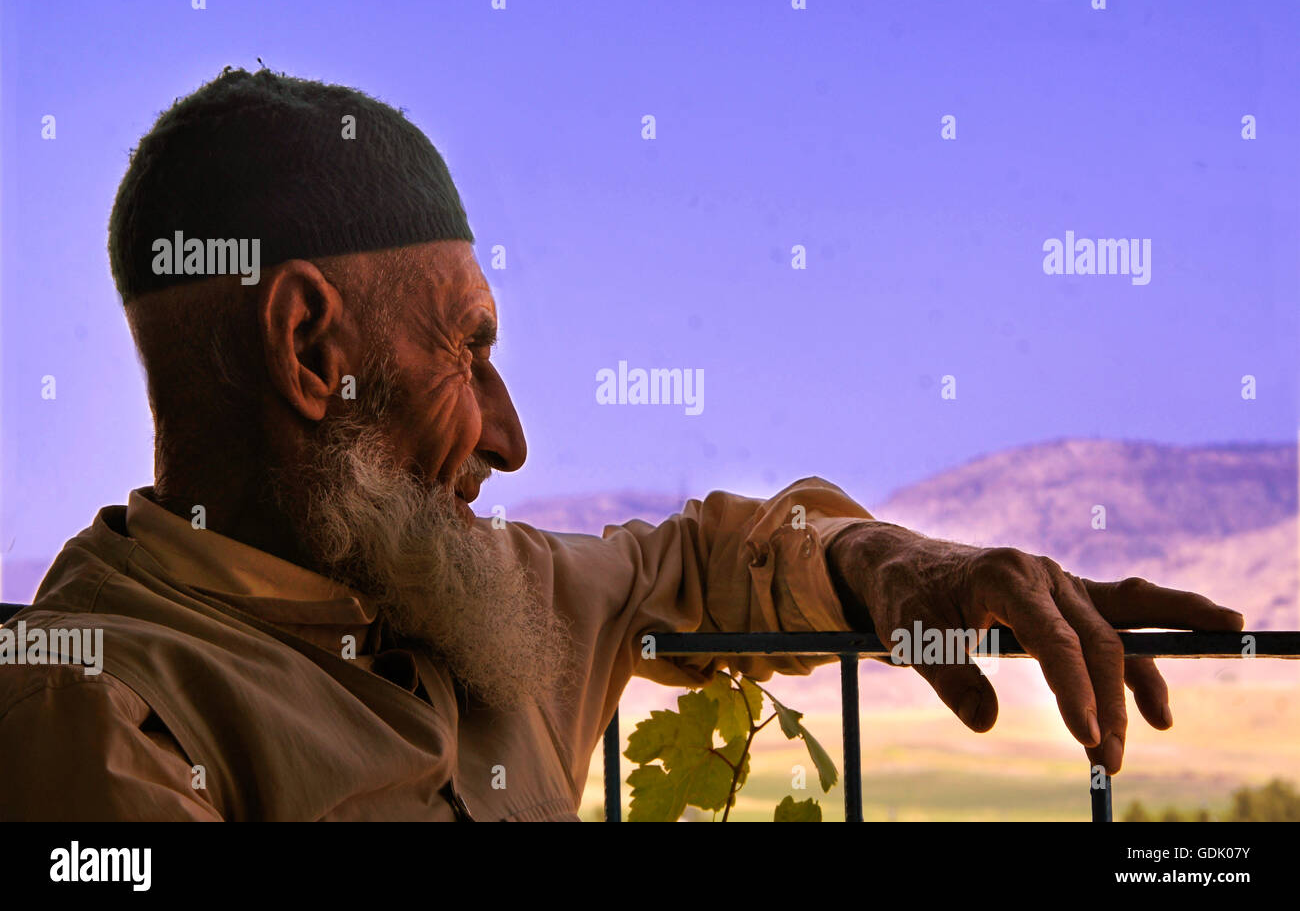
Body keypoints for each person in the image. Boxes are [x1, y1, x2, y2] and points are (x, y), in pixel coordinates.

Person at [0, 68, 1244, 820]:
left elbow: (709, 558)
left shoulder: (476, 590)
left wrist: (897, 563)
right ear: (312, 345)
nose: (512, 434)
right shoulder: (96, 709)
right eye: (466, 352)